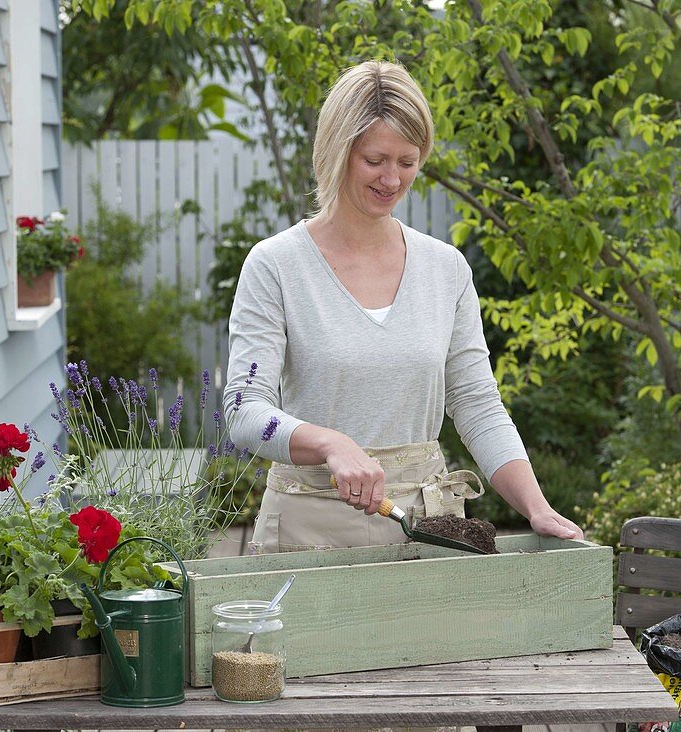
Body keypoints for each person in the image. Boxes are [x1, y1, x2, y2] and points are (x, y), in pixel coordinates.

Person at [225, 60, 582, 553]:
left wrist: (537, 508)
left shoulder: (446, 269)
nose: (392, 179)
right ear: (338, 151)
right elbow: (244, 411)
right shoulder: (276, 265)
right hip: (307, 534)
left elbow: (477, 404)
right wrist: (331, 444)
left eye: (408, 161)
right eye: (375, 160)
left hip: (427, 528)